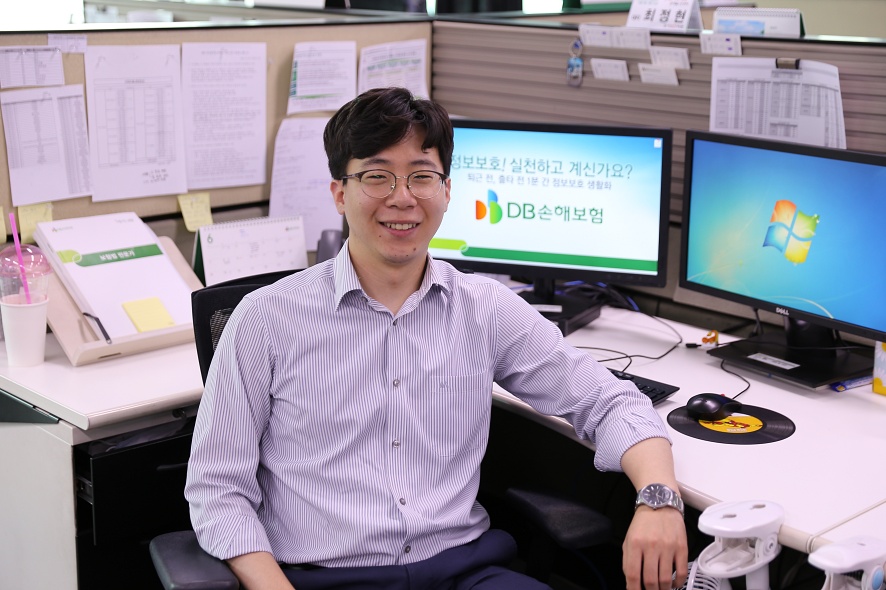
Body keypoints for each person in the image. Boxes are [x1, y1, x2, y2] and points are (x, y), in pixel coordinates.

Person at [185, 86, 688, 590]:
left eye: (421, 176)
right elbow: (218, 491)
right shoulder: (266, 319)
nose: (402, 197)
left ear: (447, 191)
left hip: (464, 572)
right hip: (328, 578)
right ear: (340, 193)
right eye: (377, 176)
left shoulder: (484, 309)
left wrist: (659, 500)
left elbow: (610, 401)